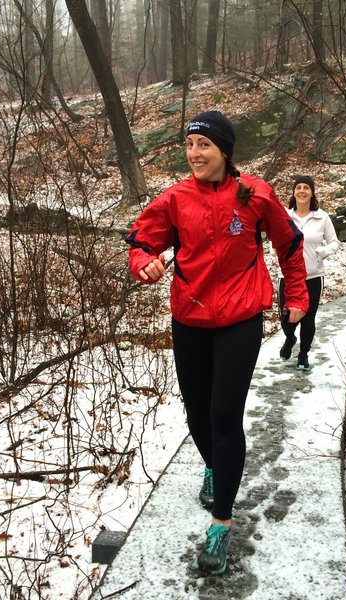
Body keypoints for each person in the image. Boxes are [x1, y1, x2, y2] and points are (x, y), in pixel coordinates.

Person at [126, 111, 308, 576]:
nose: (193, 154)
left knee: (225, 415)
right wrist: (143, 262)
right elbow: (141, 241)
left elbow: (289, 245)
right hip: (189, 318)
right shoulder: (175, 199)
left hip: (240, 319)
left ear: (224, 150)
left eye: (203, 145)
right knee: (197, 414)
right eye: (188, 145)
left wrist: (297, 294)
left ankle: (221, 523)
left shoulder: (256, 194)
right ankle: (214, 466)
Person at [278, 175, 340, 370]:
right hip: (287, 277)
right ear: (294, 192)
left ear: (312, 193)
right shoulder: (285, 216)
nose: (302, 191)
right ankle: (290, 338)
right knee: (287, 315)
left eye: (306, 188)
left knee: (308, 318)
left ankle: (303, 355)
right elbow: (276, 240)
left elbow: (335, 243)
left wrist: (321, 253)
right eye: (298, 187)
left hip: (313, 276)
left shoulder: (322, 217)